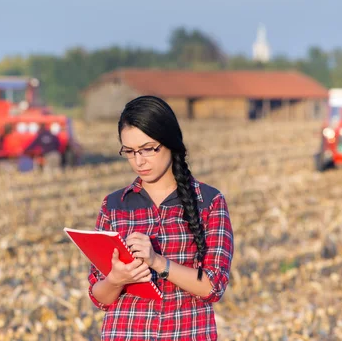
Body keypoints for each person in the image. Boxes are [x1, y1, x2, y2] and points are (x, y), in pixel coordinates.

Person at [87, 95, 234, 340]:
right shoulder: (113, 206)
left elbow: (213, 286)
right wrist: (116, 279)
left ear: (170, 142)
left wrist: (158, 262)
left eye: (148, 149)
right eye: (130, 151)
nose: (139, 161)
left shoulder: (209, 202)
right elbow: (99, 296)